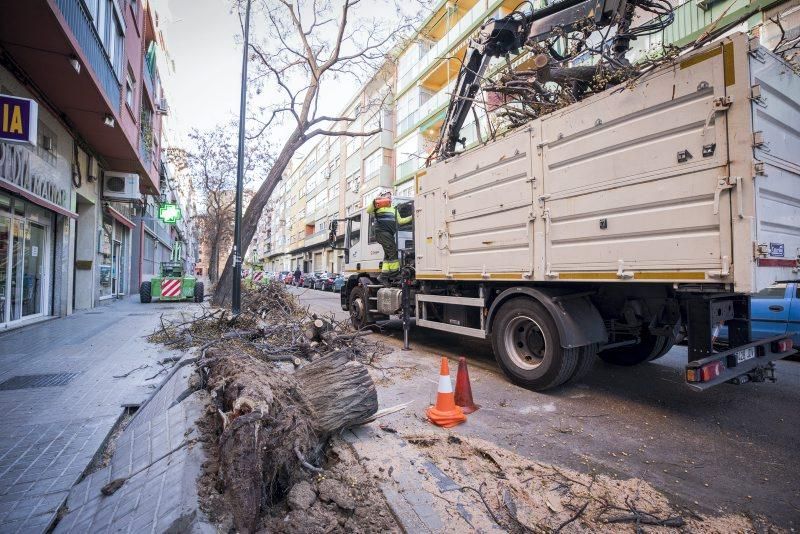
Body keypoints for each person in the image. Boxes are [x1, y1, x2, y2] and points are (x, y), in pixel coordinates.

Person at [367, 191, 412, 284]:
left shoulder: (393, 209)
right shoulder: (378, 207)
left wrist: (412, 217)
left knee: (388, 255)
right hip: (382, 233)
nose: (389, 198)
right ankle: (395, 273)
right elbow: (368, 210)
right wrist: (376, 200)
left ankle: (383, 275)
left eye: (390, 197)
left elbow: (401, 221)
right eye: (386, 197)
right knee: (393, 252)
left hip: (389, 234)